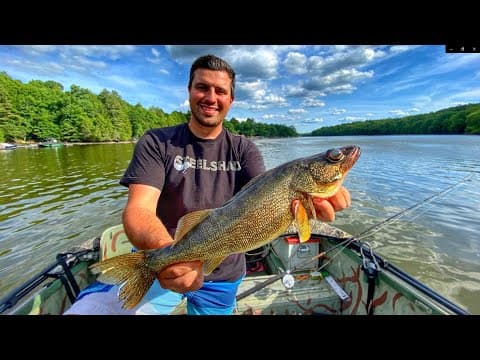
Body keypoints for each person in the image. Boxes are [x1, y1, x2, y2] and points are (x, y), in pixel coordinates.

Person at [64, 54, 352, 315]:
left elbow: (261, 201)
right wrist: (171, 257)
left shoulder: (244, 150)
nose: (211, 97)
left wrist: (308, 209)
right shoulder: (157, 142)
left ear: (230, 100)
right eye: (202, 87)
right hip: (165, 262)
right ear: (189, 92)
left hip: (223, 277)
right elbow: (138, 210)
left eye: (220, 91)